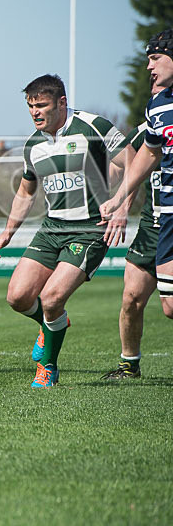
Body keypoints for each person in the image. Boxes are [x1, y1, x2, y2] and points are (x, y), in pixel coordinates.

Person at [0, 74, 131, 388]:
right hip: (52, 228)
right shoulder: (33, 145)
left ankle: (48, 368)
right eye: (30, 106)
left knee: (51, 298)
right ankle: (54, 324)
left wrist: (121, 207)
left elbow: (133, 164)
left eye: (41, 105)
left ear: (62, 103)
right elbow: (26, 192)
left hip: (89, 230)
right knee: (17, 297)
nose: (35, 112)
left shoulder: (94, 127)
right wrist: (7, 232)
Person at [101, 28, 173, 322]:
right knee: (169, 307)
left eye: (155, 58)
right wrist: (119, 199)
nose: (149, 67)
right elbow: (149, 154)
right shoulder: (156, 106)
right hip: (166, 215)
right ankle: (129, 366)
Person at [102, 86, 166, 380]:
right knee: (131, 297)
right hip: (151, 227)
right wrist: (121, 206)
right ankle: (129, 365)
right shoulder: (147, 130)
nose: (153, 86)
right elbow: (128, 169)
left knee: (170, 307)